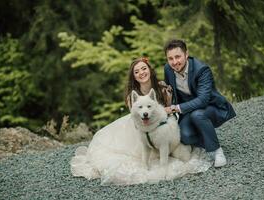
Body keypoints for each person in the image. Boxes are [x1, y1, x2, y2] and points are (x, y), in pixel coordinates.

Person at [70, 57, 212, 185]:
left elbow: (168, 111)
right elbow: (136, 118)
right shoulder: (132, 95)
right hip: (138, 126)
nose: (141, 73)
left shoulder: (162, 87)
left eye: (144, 68)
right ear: (134, 76)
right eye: (137, 71)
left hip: (160, 125)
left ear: (149, 70)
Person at [163, 39, 236, 167]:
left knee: (197, 115)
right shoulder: (168, 70)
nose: (174, 62)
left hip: (210, 107)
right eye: (170, 58)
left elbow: (203, 100)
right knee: (184, 135)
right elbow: (171, 91)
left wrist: (175, 108)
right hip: (188, 110)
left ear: (186, 54)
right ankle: (207, 144)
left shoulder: (202, 70)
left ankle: (217, 151)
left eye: (178, 57)